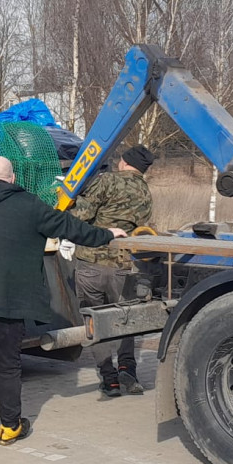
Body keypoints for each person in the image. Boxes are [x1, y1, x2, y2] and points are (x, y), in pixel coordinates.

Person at [0, 156, 124, 457]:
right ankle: (9, 427)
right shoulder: (28, 205)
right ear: (12, 178)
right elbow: (69, 227)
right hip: (7, 303)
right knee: (7, 366)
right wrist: (107, 235)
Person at [70, 145, 155, 396]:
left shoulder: (106, 181)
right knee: (125, 320)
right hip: (123, 266)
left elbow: (81, 215)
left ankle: (109, 379)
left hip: (91, 263)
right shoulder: (145, 191)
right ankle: (128, 369)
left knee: (95, 321)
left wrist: (66, 203)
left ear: (125, 162)